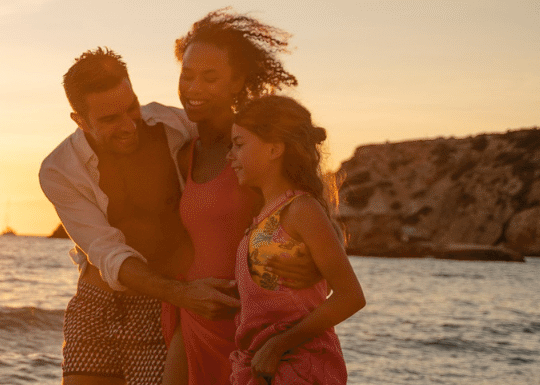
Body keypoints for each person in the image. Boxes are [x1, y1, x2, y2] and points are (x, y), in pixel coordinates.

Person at [39, 48, 239, 385]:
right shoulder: (59, 170)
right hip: (97, 304)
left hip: (163, 305)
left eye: (131, 107)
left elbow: (261, 146)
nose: (129, 125)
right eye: (109, 119)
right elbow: (107, 252)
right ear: (80, 121)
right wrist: (184, 295)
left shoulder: (176, 126)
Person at [164, 8, 312, 385]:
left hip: (252, 326)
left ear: (237, 82)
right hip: (193, 315)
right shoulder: (185, 152)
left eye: (210, 78)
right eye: (187, 75)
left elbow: (308, 215)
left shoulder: (257, 147)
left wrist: (315, 266)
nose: (193, 88)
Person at [225, 95, 364, 384]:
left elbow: (351, 296)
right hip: (264, 365)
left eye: (239, 145)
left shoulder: (301, 209)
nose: (230, 156)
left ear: (274, 148)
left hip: (299, 365)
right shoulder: (263, 213)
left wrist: (278, 344)